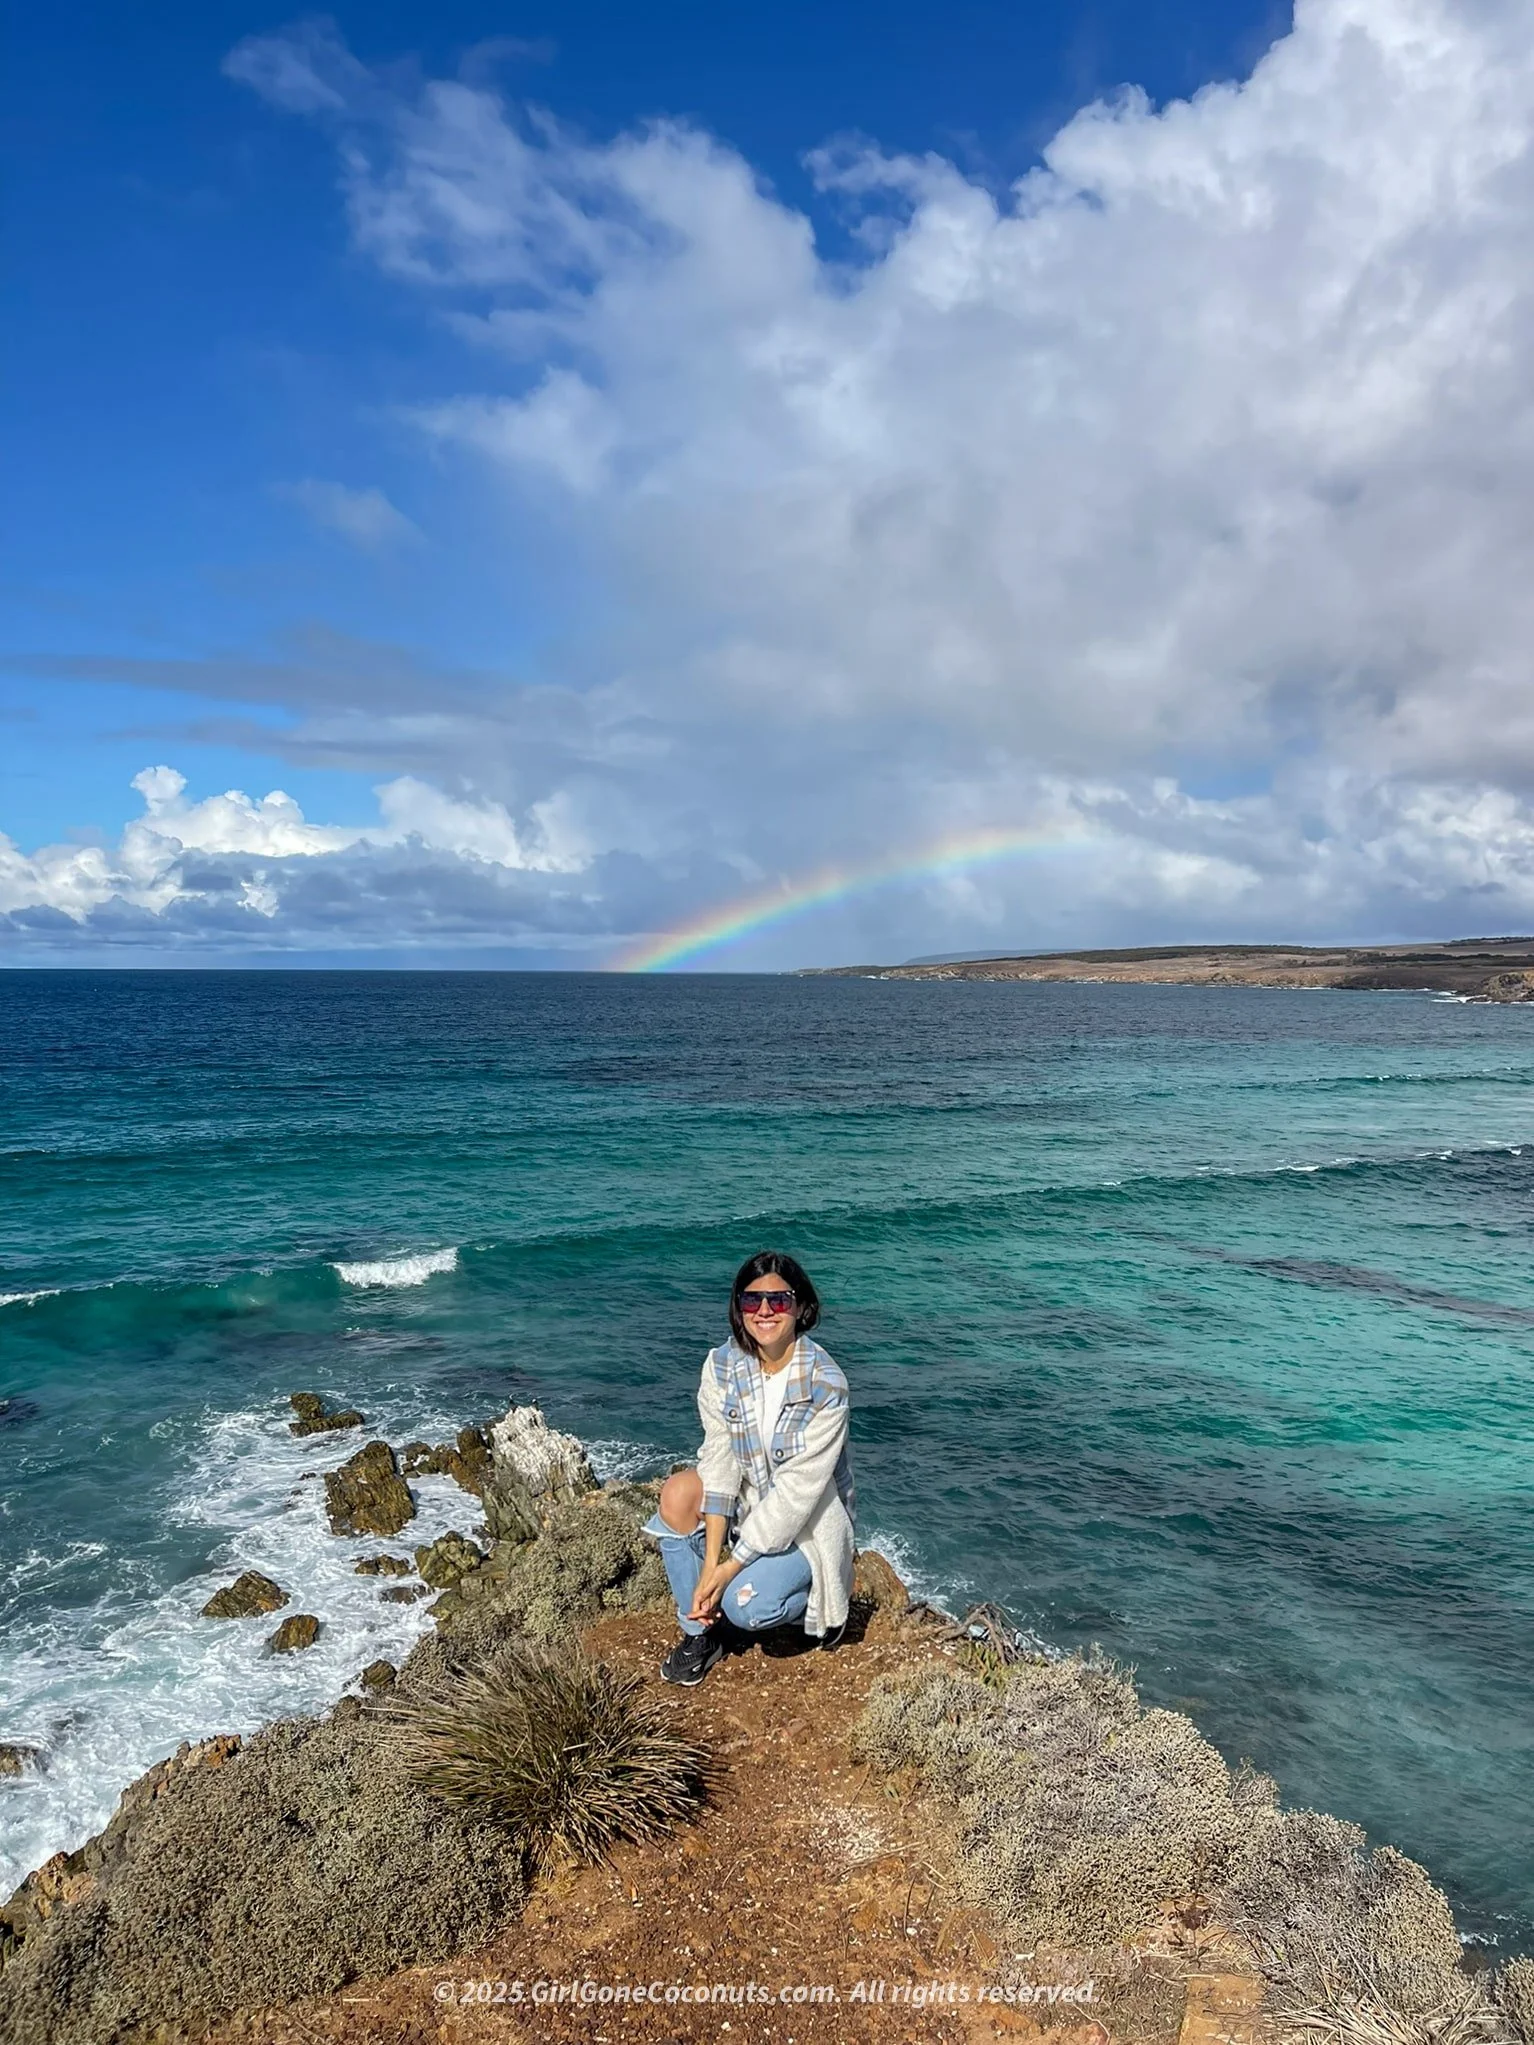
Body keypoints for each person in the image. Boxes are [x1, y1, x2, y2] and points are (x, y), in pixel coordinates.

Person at [644, 1250, 856, 1687]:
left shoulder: (826, 1385)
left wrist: (730, 1567)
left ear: (800, 1307)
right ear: (738, 1308)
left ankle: (810, 1602)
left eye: (778, 1300)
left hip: (806, 1525)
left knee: (748, 1607)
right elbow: (720, 1459)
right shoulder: (722, 1366)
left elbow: (796, 1497)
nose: (763, 1311)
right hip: (746, 1508)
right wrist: (710, 1567)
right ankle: (701, 1633)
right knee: (679, 1494)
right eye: (751, 1300)